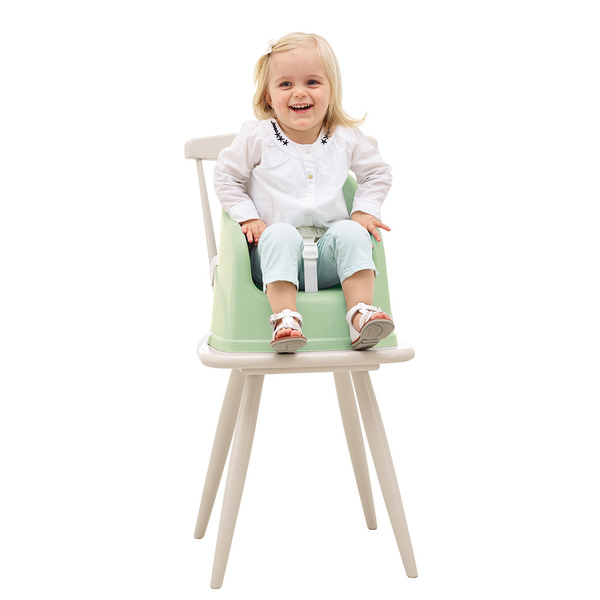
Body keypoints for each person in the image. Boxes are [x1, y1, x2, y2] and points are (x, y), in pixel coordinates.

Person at [214, 32, 395, 353]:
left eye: (312, 82)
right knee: (281, 233)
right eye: (285, 84)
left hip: (329, 259)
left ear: (331, 90)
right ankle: (285, 318)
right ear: (269, 96)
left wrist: (363, 211)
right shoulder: (258, 137)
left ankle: (360, 315)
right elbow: (227, 176)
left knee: (351, 232)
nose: (299, 92)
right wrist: (248, 217)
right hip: (273, 259)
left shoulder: (344, 137)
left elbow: (377, 172)